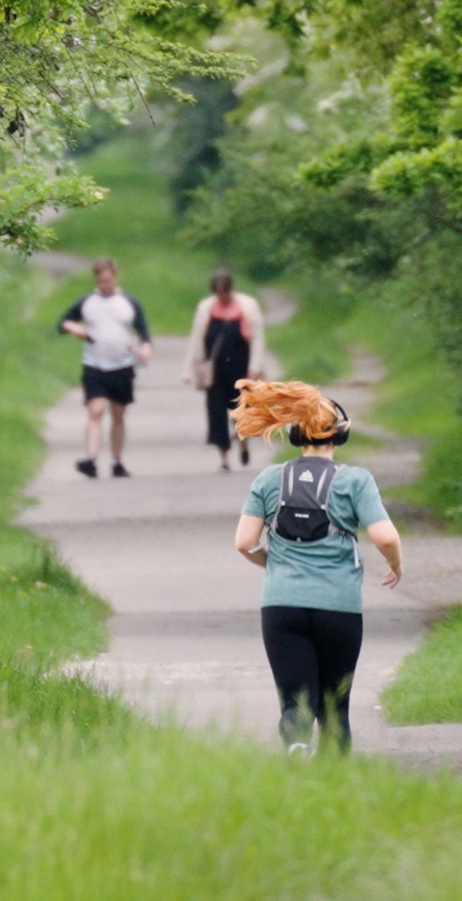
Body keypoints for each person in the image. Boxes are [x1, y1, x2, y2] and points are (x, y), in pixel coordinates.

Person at [231, 381, 402, 755]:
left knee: (295, 701)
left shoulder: (270, 479)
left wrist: (271, 563)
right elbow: (385, 537)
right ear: (340, 435)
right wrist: (394, 563)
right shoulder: (355, 481)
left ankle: (295, 746)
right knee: (333, 707)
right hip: (338, 608)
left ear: (296, 435)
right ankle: (333, 788)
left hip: (281, 606)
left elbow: (244, 542)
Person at [57, 257, 150, 478]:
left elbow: (144, 331)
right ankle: (91, 459)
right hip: (95, 365)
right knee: (95, 410)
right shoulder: (88, 302)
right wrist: (74, 328)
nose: (104, 283)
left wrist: (146, 348)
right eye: (100, 280)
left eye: (108, 279)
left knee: (118, 414)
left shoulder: (128, 302)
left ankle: (117, 461)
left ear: (114, 277)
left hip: (122, 365)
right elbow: (62, 322)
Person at [184, 269, 268, 471]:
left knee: (241, 410)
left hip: (241, 366)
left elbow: (257, 338)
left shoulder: (247, 306)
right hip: (215, 370)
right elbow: (197, 339)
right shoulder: (206, 308)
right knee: (216, 411)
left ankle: (243, 441)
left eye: (225, 291)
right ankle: (224, 457)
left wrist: (255, 367)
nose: (222, 295)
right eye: (218, 291)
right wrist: (189, 369)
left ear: (231, 288)